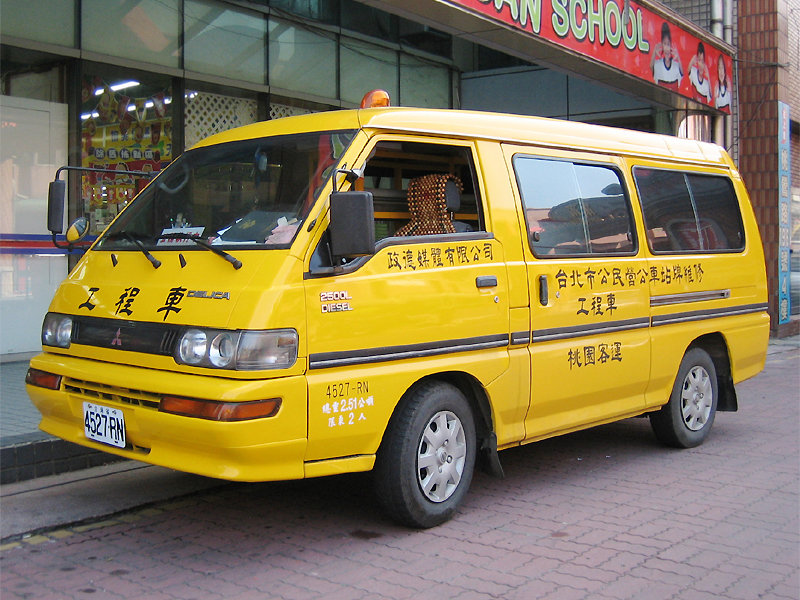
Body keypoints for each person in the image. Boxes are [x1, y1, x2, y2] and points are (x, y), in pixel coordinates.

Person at [651, 22, 683, 87]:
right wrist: (654, 52)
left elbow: (682, 73)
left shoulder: (676, 66)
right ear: (661, 44)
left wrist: (678, 58)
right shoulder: (657, 64)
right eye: (664, 44)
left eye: (668, 44)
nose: (666, 48)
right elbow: (651, 67)